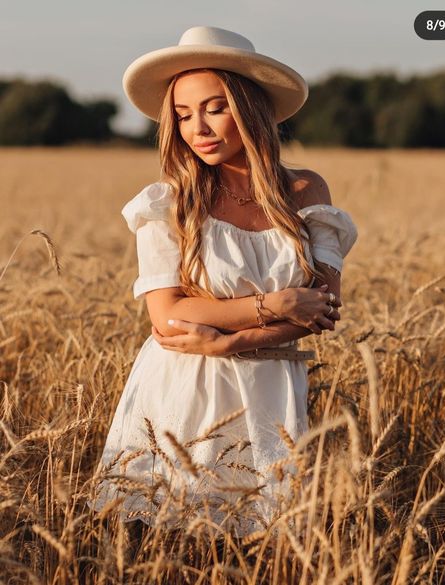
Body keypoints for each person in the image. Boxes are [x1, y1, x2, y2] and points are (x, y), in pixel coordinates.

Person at [87, 25, 357, 538]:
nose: (198, 128)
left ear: (250, 108)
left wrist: (231, 339)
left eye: (215, 108)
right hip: (183, 385)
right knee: (170, 538)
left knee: (264, 542)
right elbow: (169, 317)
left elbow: (321, 309)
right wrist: (275, 303)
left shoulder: (303, 191)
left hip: (273, 391)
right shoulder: (167, 202)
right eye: (183, 115)